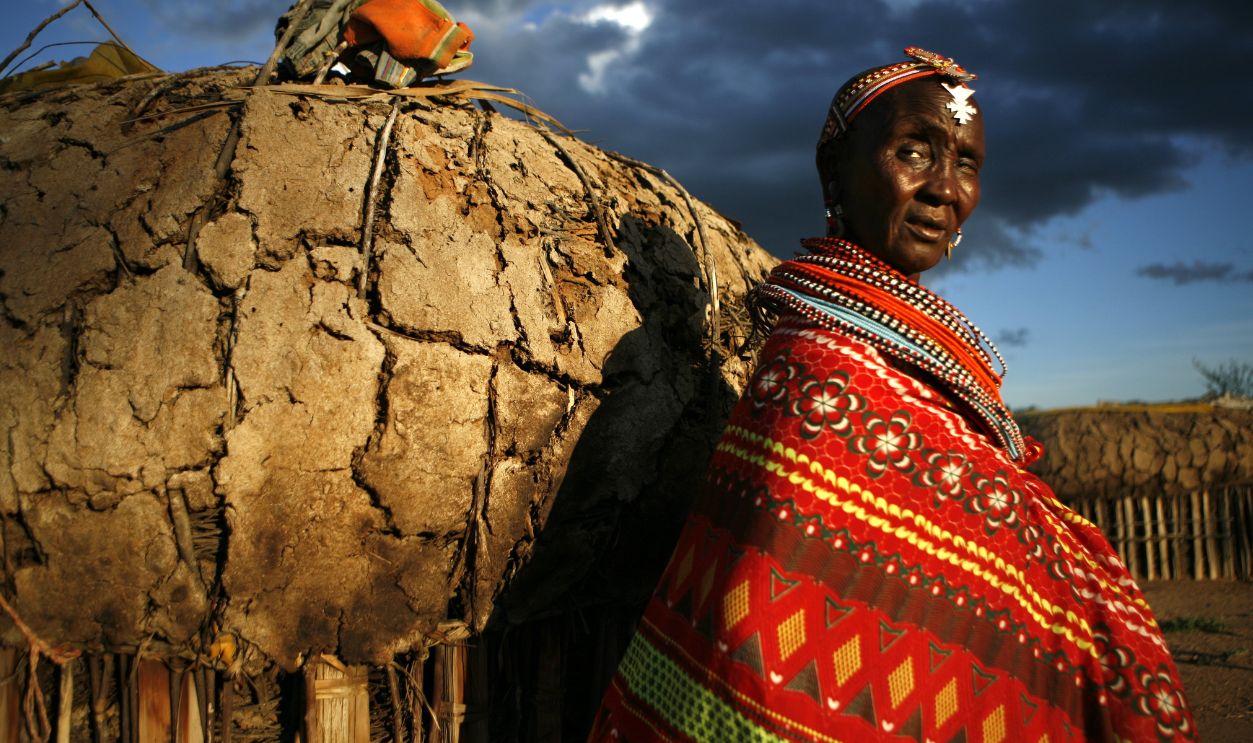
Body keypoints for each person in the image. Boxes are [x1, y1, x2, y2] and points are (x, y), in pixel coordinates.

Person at [589, 47, 1195, 742]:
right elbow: (764, 629)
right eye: (915, 151)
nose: (944, 188)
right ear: (835, 172)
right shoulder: (820, 366)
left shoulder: (925, 364)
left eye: (964, 163)